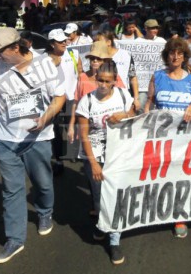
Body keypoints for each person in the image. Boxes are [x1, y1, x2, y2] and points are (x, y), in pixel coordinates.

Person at [0, 27, 67, 264]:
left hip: (37, 139)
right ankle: (15, 239)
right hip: (6, 139)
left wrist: (45, 118)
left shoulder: (45, 64)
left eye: (1, 52)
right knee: (12, 190)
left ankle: (45, 212)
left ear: (15, 47)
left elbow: (59, 97)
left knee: (43, 183)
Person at [76, 61, 135, 265]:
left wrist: (124, 115)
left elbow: (134, 114)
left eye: (107, 81)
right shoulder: (86, 101)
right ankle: (103, 224)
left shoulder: (123, 95)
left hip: (118, 154)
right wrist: (93, 164)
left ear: (115, 81)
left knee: (115, 196)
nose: (102, 85)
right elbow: (84, 135)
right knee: (100, 197)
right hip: (95, 155)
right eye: (99, 80)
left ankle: (114, 241)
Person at [144, 37, 191, 238]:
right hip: (161, 137)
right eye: (171, 53)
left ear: (185, 57)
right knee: (162, 175)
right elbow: (149, 103)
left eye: (179, 53)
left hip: (184, 138)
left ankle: (179, 215)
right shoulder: (157, 76)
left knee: (180, 176)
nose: (175, 57)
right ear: (166, 55)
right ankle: (161, 209)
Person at [47, 28, 82, 173]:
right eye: (59, 41)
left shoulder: (74, 53)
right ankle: (59, 160)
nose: (64, 43)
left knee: (72, 127)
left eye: (64, 40)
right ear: (52, 44)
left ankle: (75, 152)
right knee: (56, 130)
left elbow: (80, 72)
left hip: (71, 98)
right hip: (54, 100)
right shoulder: (45, 59)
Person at [95, 31, 140, 112]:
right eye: (95, 42)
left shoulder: (126, 55)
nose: (96, 44)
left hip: (122, 97)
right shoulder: (96, 58)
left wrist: (136, 98)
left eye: (99, 42)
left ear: (108, 42)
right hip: (101, 97)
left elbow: (133, 77)